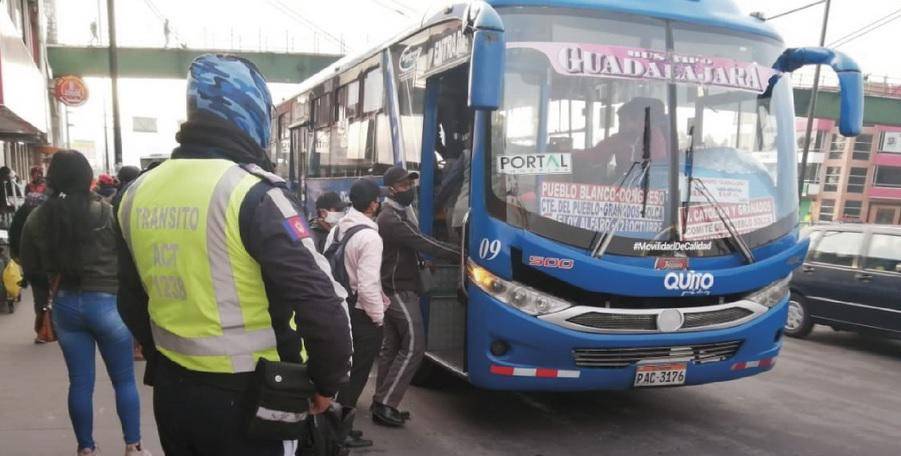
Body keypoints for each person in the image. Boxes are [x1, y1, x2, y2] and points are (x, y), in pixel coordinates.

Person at [115, 54, 352, 456]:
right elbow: (319, 301)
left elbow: (130, 301)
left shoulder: (134, 193)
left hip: (174, 394)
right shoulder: (255, 193)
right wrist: (327, 384)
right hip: (254, 399)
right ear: (253, 111)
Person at [19, 150, 147, 456]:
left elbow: (27, 262)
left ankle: (86, 449)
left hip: (65, 306)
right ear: (86, 176)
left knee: (79, 383)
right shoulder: (105, 211)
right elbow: (130, 257)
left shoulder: (39, 217)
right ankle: (133, 446)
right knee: (124, 381)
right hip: (108, 304)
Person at [372, 166, 459, 427]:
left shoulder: (397, 214)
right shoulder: (390, 218)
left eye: (409, 185)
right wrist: (461, 252)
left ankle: (381, 401)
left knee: (392, 348)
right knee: (414, 346)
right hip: (397, 289)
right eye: (402, 186)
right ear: (390, 190)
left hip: (394, 287)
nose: (408, 190)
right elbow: (422, 241)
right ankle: (387, 403)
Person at [324, 178, 389, 448]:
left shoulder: (338, 229)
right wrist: (378, 317)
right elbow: (368, 284)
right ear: (373, 204)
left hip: (338, 307)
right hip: (360, 312)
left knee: (341, 368)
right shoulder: (370, 237)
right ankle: (340, 431)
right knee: (357, 373)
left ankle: (334, 425)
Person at [580, 97, 669, 182]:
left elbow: (650, 173)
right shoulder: (621, 139)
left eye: (623, 121)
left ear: (638, 119)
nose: (620, 126)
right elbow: (595, 154)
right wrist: (567, 154)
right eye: (620, 122)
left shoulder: (654, 139)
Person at [9, 192, 51, 343]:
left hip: (34, 267)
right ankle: (48, 328)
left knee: (40, 299)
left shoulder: (22, 217)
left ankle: (42, 330)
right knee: (51, 297)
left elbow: (14, 239)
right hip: (45, 267)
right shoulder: (47, 217)